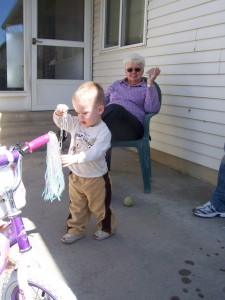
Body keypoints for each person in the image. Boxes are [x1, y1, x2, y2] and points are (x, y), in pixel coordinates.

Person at [53, 81, 116, 244]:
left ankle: (106, 227)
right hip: (76, 176)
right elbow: (61, 122)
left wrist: (75, 158)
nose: (80, 117)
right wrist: (59, 114)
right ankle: (76, 229)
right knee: (76, 206)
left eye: (84, 113)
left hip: (96, 178)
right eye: (77, 112)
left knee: (99, 207)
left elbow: (95, 152)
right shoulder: (77, 123)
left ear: (100, 109)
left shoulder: (103, 132)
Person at [102, 52, 161, 142]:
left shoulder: (147, 88)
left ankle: (90, 131)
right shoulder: (116, 84)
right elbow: (102, 103)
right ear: (125, 71)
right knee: (104, 134)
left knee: (114, 108)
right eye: (130, 69)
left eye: (137, 69)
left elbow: (151, 109)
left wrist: (150, 83)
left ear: (142, 71)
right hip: (112, 125)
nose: (133, 72)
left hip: (133, 128)